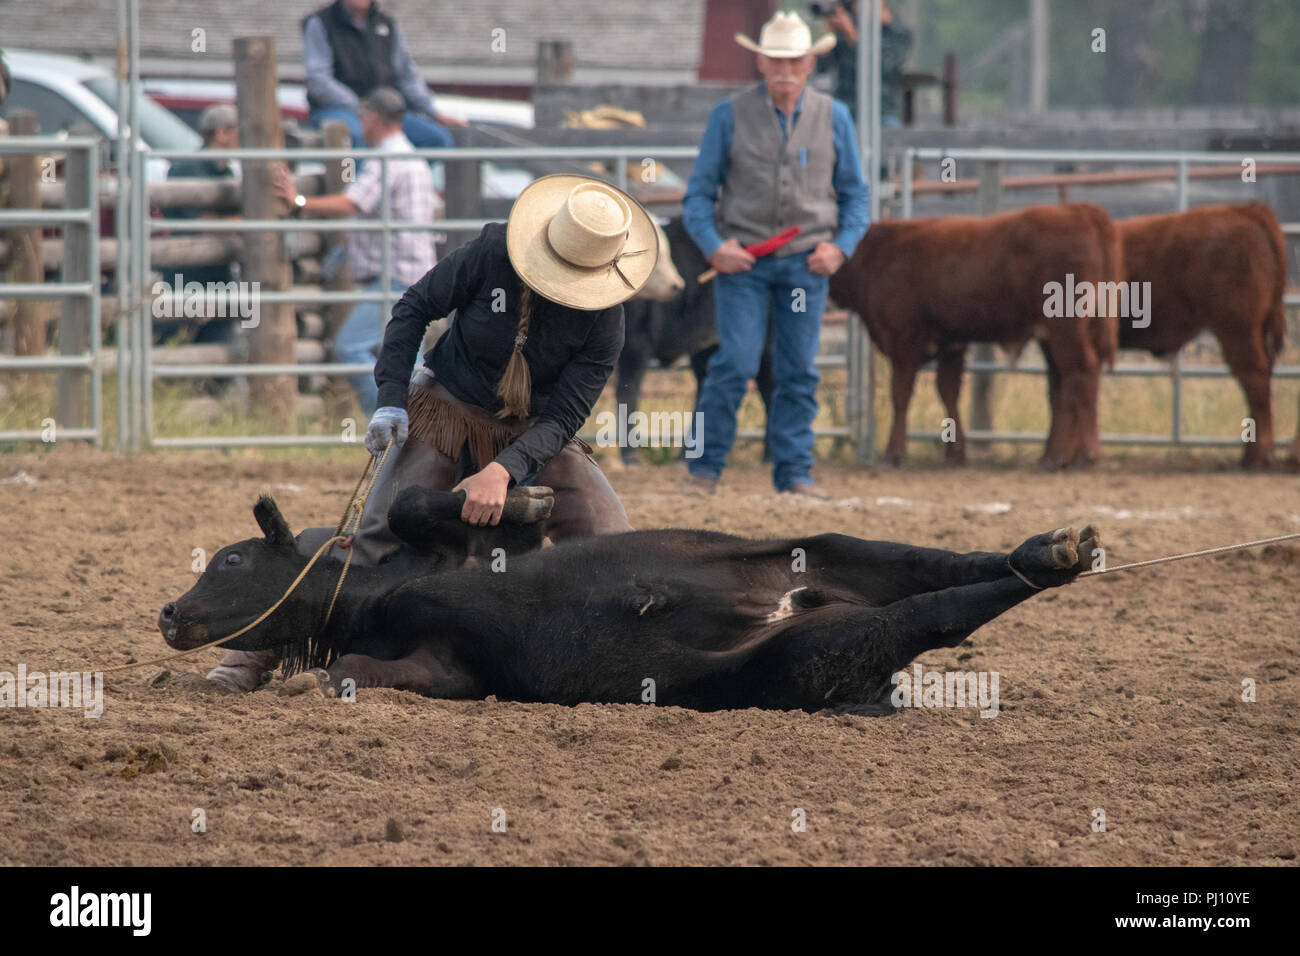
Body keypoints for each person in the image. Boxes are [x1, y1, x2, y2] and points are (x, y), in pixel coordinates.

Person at [205, 173, 651, 693]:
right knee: (370, 542)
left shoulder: (605, 318)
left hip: (537, 432)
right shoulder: (490, 252)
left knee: (620, 551)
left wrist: (503, 469)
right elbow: (414, 309)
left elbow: (566, 414)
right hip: (448, 409)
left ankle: (634, 667)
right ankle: (247, 656)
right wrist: (392, 399)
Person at [681, 10, 868, 499]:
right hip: (743, 262)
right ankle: (704, 470)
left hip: (807, 264)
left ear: (810, 63)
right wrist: (715, 247)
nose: (786, 68)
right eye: (776, 59)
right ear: (761, 62)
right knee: (734, 363)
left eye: (795, 60)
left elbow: (856, 195)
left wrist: (840, 247)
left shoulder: (835, 116)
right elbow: (699, 195)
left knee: (798, 369)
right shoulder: (729, 115)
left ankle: (795, 475)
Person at [274, 87, 436, 416]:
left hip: (395, 275)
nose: (360, 122)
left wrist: (299, 202)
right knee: (409, 358)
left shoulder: (386, 158)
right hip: (412, 272)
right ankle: (419, 426)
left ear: (374, 117)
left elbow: (354, 201)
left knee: (351, 347)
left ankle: (389, 418)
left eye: (363, 116)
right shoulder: (412, 157)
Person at [301, 0, 465, 149]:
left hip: (384, 111)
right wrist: (360, 107)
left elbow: (407, 77)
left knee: (437, 139)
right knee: (355, 137)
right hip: (338, 109)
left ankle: (396, 179)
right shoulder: (321, 23)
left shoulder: (388, 25)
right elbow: (318, 80)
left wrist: (433, 112)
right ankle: (356, 182)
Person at [157, 104, 241, 349]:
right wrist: (242, 223)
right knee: (174, 334)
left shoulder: (223, 172)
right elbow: (202, 222)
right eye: (237, 131)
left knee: (219, 332)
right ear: (222, 133)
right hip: (188, 272)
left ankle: (211, 383)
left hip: (216, 271)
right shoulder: (189, 168)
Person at [815, 0, 913, 129]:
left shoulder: (897, 32)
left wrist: (851, 34)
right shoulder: (844, 31)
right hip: (846, 109)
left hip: (882, 111)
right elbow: (822, 68)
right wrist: (828, 35)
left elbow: (883, 66)